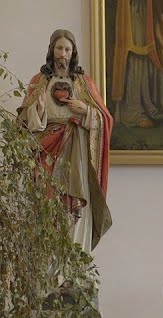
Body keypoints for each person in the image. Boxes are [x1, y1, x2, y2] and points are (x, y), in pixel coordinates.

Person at [17, 29, 113, 252]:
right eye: (59, 48)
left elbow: (105, 119)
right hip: (47, 151)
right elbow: (22, 125)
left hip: (77, 153)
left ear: (73, 52)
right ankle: (49, 269)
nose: (63, 53)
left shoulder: (84, 83)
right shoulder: (39, 81)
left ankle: (73, 267)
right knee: (48, 204)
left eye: (67, 49)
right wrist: (38, 111)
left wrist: (86, 110)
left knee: (75, 205)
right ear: (52, 50)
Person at [110, 0, 163, 129]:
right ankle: (135, 111)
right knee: (137, 58)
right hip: (133, 13)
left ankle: (154, 103)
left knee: (157, 51)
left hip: (149, 13)